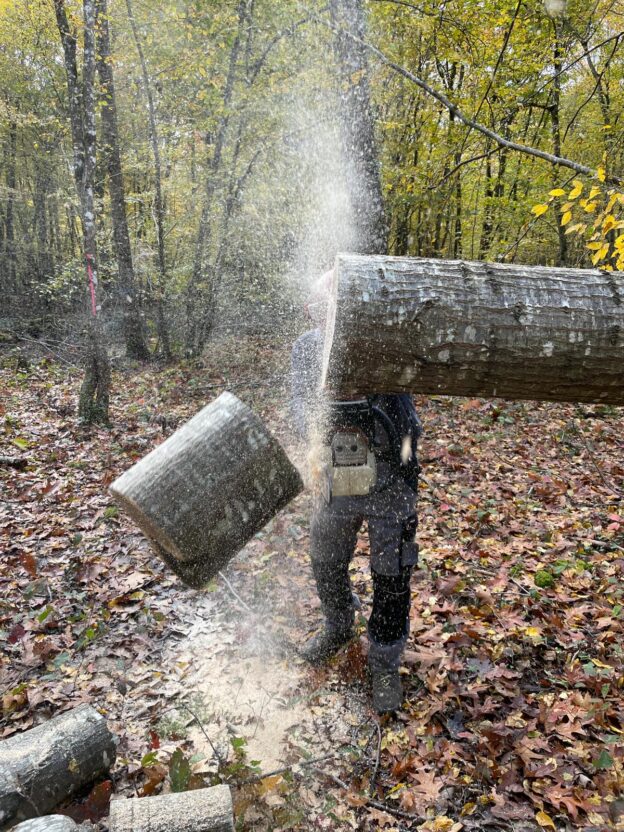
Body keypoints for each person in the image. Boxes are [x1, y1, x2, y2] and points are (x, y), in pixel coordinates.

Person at [291, 270, 422, 714]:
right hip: (336, 470)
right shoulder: (307, 348)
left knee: (392, 572)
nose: (325, 319)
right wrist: (318, 427)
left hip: (390, 473)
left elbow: (407, 421)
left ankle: (383, 661)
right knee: (325, 555)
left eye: (332, 310)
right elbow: (299, 404)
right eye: (319, 310)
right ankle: (338, 625)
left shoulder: (384, 345)